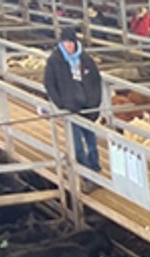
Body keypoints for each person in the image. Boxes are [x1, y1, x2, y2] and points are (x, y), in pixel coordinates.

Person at [43, 27, 103, 186]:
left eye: (71, 42)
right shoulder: (55, 60)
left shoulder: (85, 59)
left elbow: (96, 81)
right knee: (77, 143)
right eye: (65, 42)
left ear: (75, 42)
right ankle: (86, 174)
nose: (68, 45)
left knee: (91, 140)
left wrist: (95, 102)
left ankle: (95, 169)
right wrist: (60, 103)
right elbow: (49, 83)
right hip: (70, 108)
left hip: (88, 106)